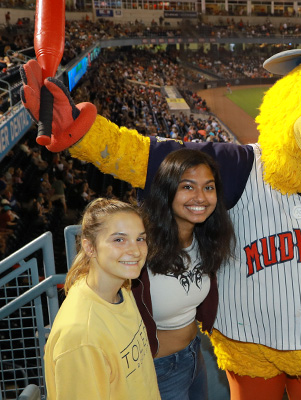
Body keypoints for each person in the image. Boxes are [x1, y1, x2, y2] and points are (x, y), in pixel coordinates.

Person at [133, 149, 235, 400]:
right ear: (167, 190)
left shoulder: (205, 238)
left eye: (209, 188)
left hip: (193, 355)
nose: (201, 197)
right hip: (156, 367)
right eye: (188, 187)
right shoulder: (139, 243)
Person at [44, 198, 160, 400]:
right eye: (119, 239)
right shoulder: (82, 337)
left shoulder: (121, 286)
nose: (135, 250)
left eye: (140, 238)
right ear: (90, 248)